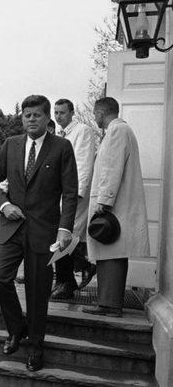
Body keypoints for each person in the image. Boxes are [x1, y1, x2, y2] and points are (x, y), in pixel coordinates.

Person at [0, 95, 77, 372]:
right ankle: (17, 328)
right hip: (11, 227)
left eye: (36, 115)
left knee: (38, 292)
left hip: (44, 231)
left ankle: (36, 346)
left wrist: (64, 230)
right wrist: (4, 204)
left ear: (47, 118)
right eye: (26, 115)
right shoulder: (10, 145)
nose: (30, 119)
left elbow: (70, 193)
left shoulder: (61, 147)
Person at [82, 97, 149, 317]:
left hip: (112, 207)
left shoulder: (116, 132)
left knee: (110, 252)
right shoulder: (121, 130)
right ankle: (107, 302)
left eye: (94, 114)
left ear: (100, 113)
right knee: (112, 252)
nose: (94, 117)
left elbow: (111, 168)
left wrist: (104, 200)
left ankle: (109, 305)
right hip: (117, 206)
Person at [52, 98, 97, 299]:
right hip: (60, 193)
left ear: (72, 113)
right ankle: (78, 271)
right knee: (61, 235)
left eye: (62, 112)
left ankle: (65, 282)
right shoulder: (57, 134)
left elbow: (83, 164)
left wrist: (77, 193)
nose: (58, 116)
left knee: (65, 235)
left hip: (74, 195)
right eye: (56, 113)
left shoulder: (83, 132)